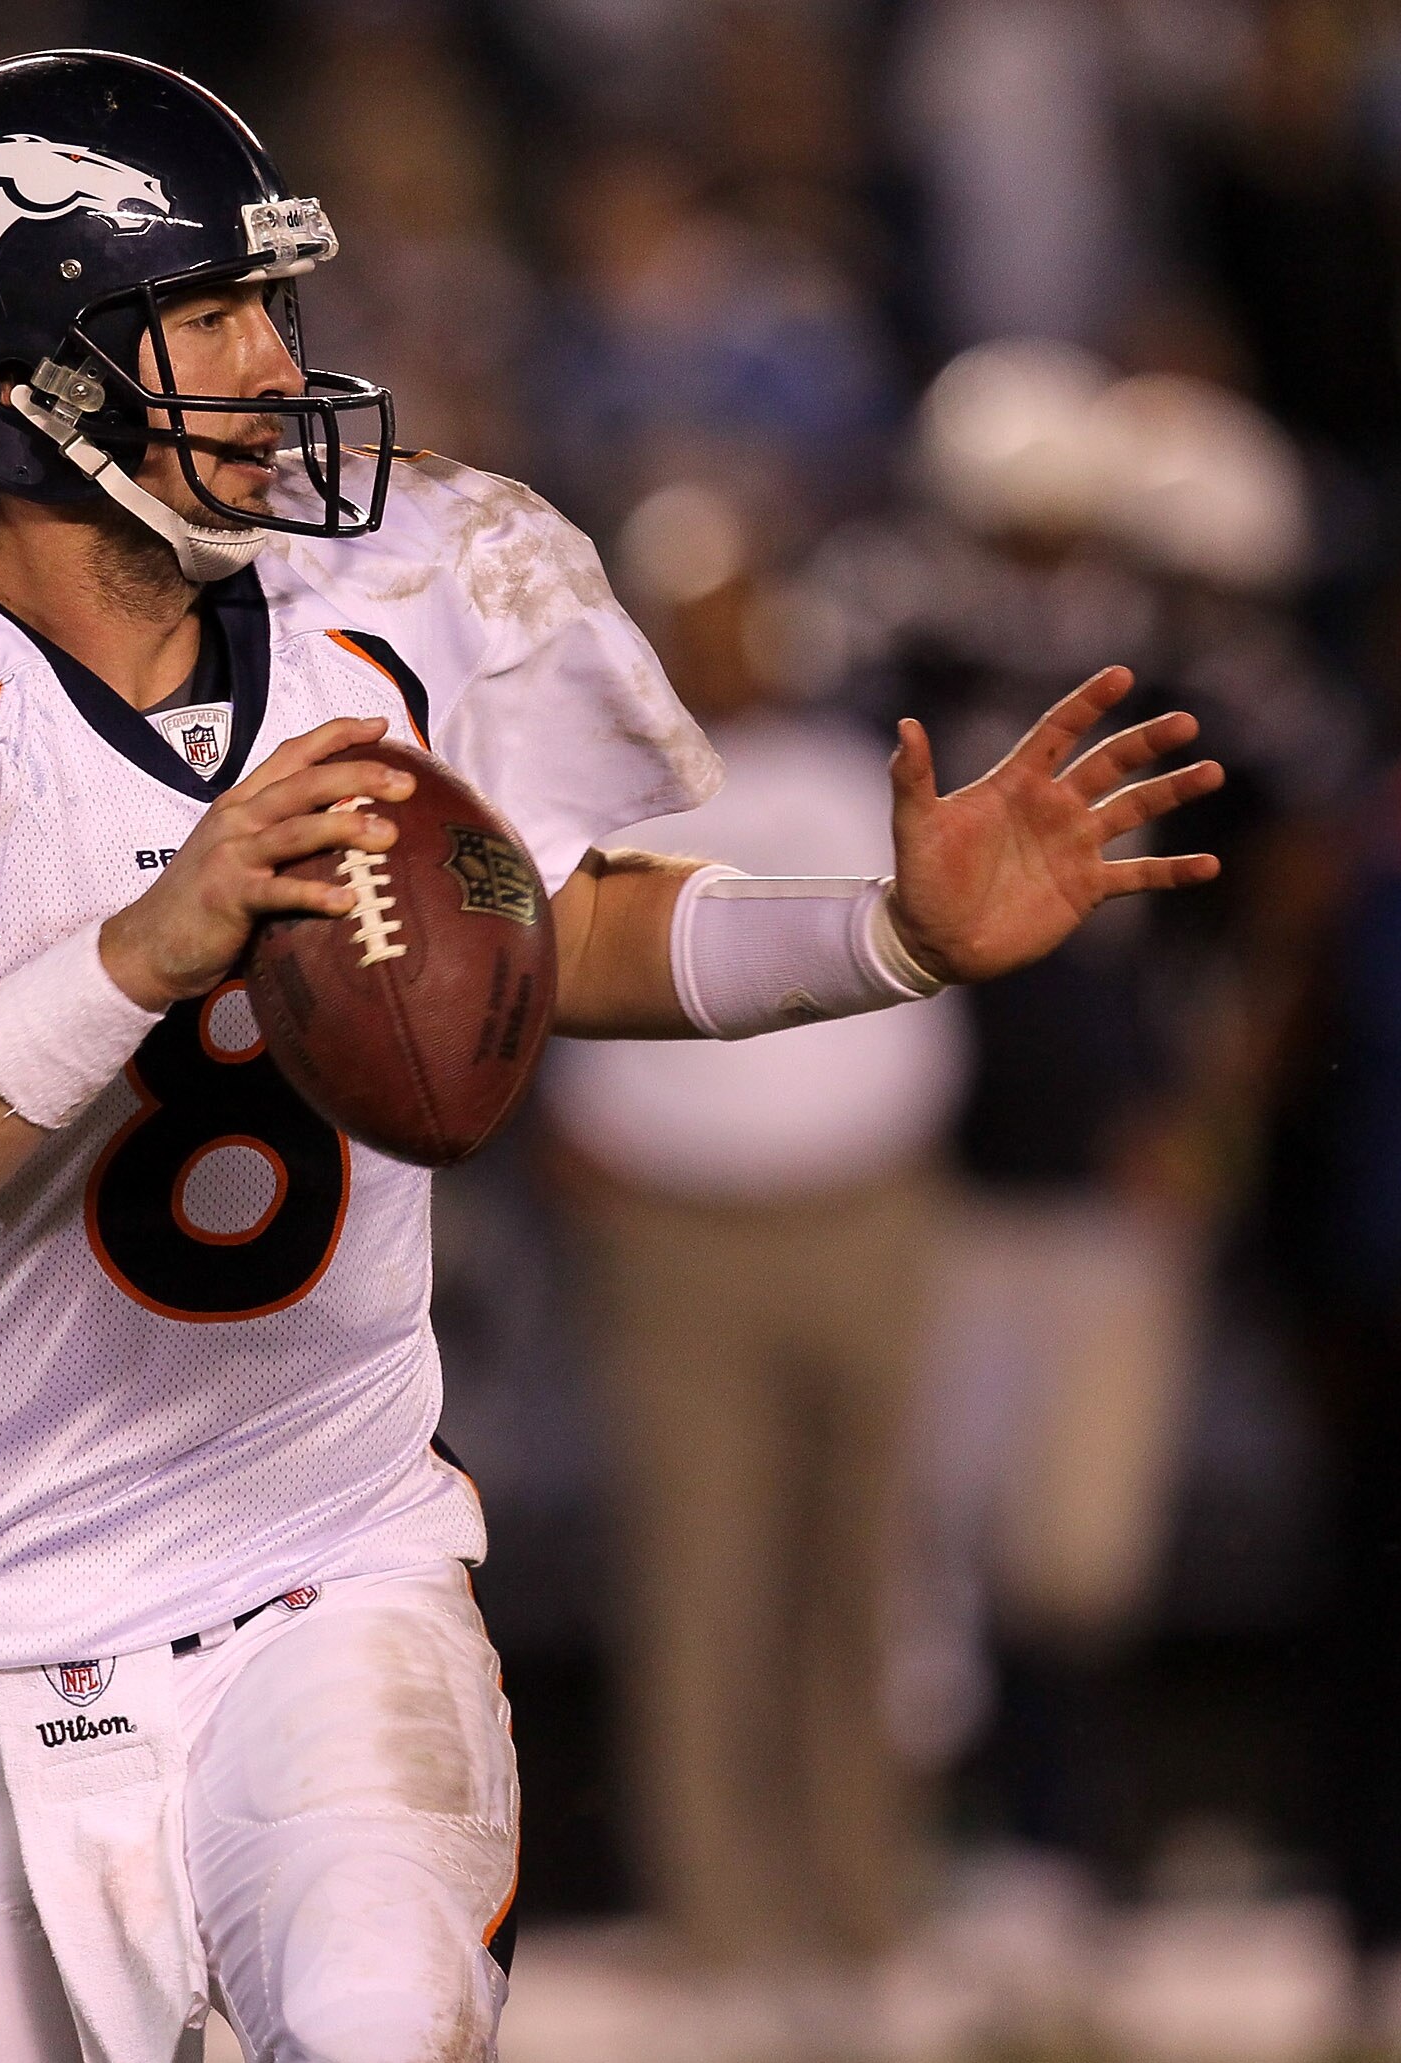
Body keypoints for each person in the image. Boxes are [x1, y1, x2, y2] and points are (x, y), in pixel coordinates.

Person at [0, 50, 1223, 2063]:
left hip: (326, 1566)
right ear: (23, 372)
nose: (274, 360)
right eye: (210, 313)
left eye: (274, 302)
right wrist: (143, 946)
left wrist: (886, 930)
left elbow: (562, 915)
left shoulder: (397, 594)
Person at [542, 481, 968, 1986]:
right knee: (703, 1580)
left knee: (870, 1570)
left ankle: (865, 1901)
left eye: (736, 607)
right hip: (675, 1236)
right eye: (692, 610)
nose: (719, 637)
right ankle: (719, 1915)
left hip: (866, 1209)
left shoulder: (862, 764)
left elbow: (934, 941)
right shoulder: (590, 787)